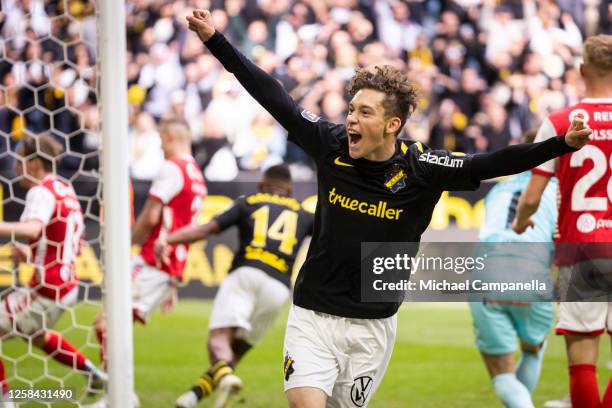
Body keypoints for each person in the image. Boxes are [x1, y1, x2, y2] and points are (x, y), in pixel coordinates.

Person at [187, 9, 591, 407]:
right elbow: (270, 94)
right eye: (351, 109)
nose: (350, 120)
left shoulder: (424, 168)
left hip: (372, 326)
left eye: (365, 112)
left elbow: (492, 162)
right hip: (313, 314)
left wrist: (559, 145)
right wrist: (215, 40)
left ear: (392, 125)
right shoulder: (329, 145)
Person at [154, 164, 313, 408]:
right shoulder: (303, 213)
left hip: (246, 273)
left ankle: (225, 378)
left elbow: (205, 230)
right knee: (235, 351)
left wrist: (168, 239)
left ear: (262, 185)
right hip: (279, 290)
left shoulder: (247, 202)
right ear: (289, 190)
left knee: (219, 338)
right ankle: (193, 396)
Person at [513, 34, 612, 408]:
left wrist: (522, 223)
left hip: (580, 247)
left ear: (582, 70)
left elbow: (533, 195)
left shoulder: (560, 121)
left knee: (582, 364)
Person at [91, 118, 207, 405]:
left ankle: (118, 396)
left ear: (169, 137)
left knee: (106, 323)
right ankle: (120, 394)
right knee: (117, 325)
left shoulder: (172, 168)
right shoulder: (197, 175)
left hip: (153, 260)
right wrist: (175, 283)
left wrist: (126, 244)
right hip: (169, 267)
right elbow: (186, 227)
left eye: (160, 140)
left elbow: (152, 215)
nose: (159, 146)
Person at [0, 135, 106, 403]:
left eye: (20, 161)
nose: (15, 167)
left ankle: (5, 401)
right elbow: (70, 243)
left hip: (48, 287)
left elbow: (34, 228)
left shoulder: (41, 190)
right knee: (37, 336)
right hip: (66, 284)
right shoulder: (65, 189)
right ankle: (91, 371)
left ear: (34, 163)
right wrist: (33, 255)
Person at [469, 130, 558, 408]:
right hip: (532, 271)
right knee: (532, 352)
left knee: (502, 372)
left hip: (488, 271)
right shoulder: (557, 191)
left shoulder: (497, 190)